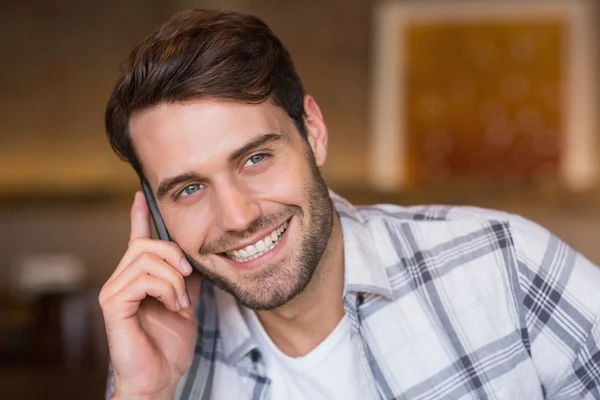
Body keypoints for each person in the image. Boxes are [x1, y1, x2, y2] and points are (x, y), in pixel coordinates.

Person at [99, 7, 600, 400]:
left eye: (255, 158)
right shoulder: (154, 354)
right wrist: (145, 393)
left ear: (312, 132)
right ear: (156, 211)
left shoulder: (504, 261)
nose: (238, 217)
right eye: (188, 189)